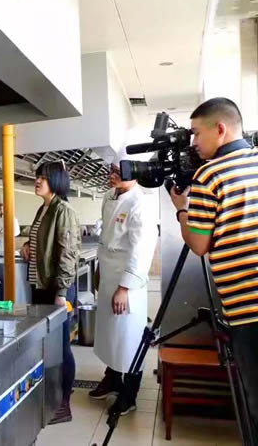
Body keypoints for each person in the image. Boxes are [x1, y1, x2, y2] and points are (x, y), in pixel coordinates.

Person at [170, 97, 258, 437]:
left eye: (196, 133)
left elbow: (199, 245)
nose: (193, 143)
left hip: (247, 311)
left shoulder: (210, 175)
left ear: (220, 129)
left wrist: (182, 208)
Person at [89, 150, 158, 415]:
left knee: (128, 339)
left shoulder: (141, 203)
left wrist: (124, 287)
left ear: (134, 170)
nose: (112, 173)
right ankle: (112, 380)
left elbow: (141, 250)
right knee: (109, 336)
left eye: (118, 169)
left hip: (127, 283)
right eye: (111, 168)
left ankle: (129, 395)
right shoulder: (109, 196)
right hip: (108, 276)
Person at [20, 161, 81, 424]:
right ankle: (50, 398)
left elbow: (68, 254)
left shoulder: (62, 210)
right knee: (47, 346)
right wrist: (26, 246)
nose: (37, 181)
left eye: (43, 177)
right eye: (37, 176)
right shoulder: (43, 209)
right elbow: (40, 242)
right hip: (41, 286)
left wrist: (61, 293)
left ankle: (63, 404)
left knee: (61, 346)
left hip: (56, 290)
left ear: (56, 181)